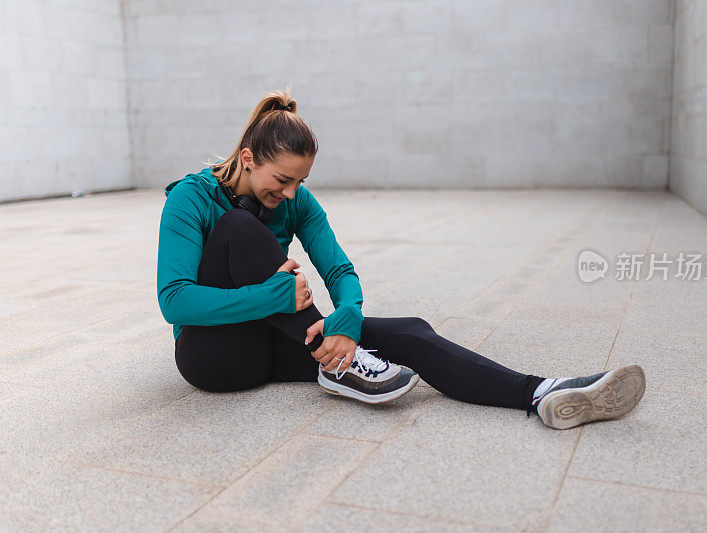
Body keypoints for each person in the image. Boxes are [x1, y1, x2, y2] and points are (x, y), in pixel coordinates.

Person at [156, 88, 646, 430]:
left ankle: (541, 393)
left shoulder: (296, 201)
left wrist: (346, 317)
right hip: (211, 358)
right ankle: (341, 366)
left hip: (270, 344)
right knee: (240, 227)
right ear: (247, 159)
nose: (289, 193)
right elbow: (174, 302)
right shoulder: (192, 197)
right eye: (281, 180)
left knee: (410, 331)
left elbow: (339, 269)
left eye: (299, 182)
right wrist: (269, 296)